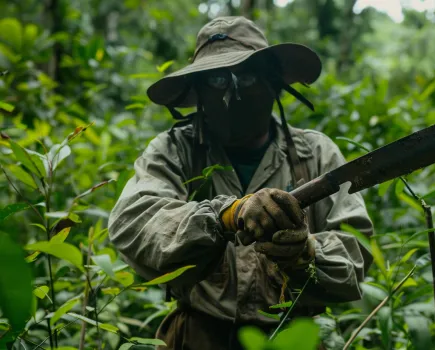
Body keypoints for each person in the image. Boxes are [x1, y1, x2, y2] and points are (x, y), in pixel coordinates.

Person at [108, 16, 374, 350]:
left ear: (273, 84)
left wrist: (303, 253)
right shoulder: (175, 150)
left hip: (292, 338)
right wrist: (225, 215)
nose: (232, 94)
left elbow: (356, 255)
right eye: (218, 80)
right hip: (197, 337)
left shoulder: (315, 154)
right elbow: (134, 221)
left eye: (246, 76)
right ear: (200, 90)